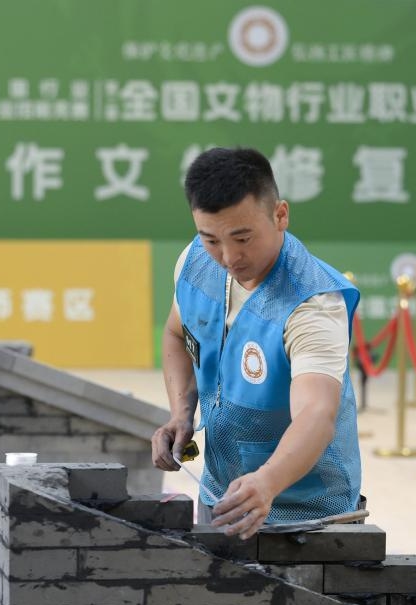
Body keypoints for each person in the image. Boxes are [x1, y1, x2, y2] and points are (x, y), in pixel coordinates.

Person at [151, 147, 362, 540]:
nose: (228, 256)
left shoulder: (312, 304)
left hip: (307, 518)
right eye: (211, 239)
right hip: (222, 496)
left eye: (242, 237)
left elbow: (316, 415)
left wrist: (266, 482)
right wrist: (181, 414)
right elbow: (176, 334)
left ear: (280, 215)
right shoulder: (196, 262)